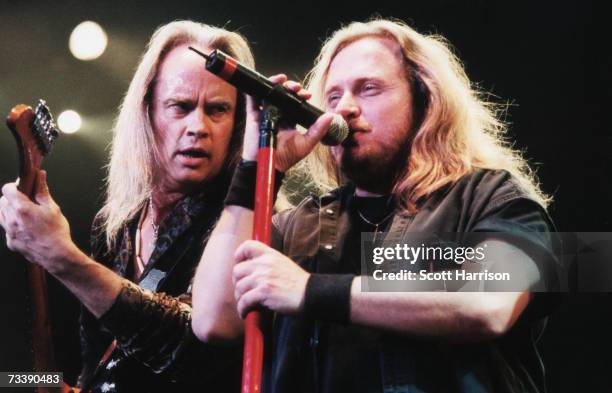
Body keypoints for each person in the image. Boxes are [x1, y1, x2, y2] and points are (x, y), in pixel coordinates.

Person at [192, 18, 560, 393]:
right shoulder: (301, 225)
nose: (345, 109)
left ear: (425, 99)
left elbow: (488, 305)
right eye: (333, 97)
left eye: (368, 89)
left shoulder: (489, 198)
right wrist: (256, 168)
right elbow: (212, 320)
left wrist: (308, 290)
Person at [0, 20, 254, 392]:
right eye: (180, 106)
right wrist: (28, 381)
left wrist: (62, 257)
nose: (199, 126)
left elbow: (191, 351)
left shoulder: (249, 224)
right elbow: (92, 372)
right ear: (147, 112)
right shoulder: (116, 225)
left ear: (239, 123)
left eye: (217, 110)